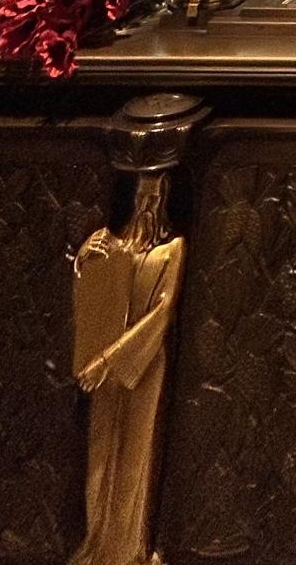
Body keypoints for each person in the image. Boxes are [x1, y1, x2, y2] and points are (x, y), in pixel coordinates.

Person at [71, 173, 187, 565]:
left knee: (135, 453)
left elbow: (164, 311)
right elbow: (92, 302)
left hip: (142, 361)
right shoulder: (111, 243)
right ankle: (96, 543)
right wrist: (84, 263)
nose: (149, 204)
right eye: (144, 194)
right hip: (102, 362)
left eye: (156, 196)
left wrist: (111, 358)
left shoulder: (173, 249)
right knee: (101, 448)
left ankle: (125, 549)